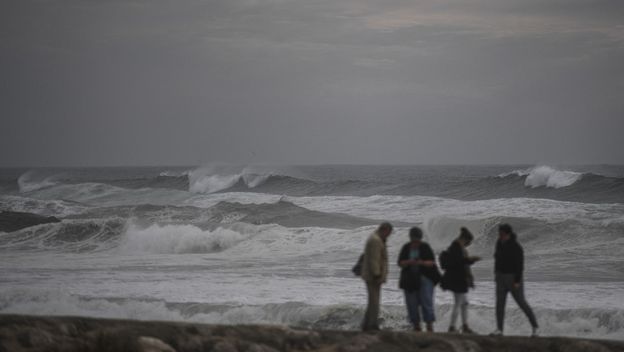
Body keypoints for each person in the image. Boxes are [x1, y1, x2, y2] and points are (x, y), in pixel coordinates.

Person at [490, 223, 539, 337]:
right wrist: (496, 275)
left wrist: (517, 281)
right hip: (500, 278)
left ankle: (535, 327)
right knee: (499, 305)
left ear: (508, 234)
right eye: (499, 233)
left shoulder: (516, 247)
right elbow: (497, 259)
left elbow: (520, 265)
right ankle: (499, 329)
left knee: (522, 303)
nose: (500, 236)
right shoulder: (499, 243)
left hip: (513, 278)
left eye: (502, 234)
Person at [397, 227, 442, 332]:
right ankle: (416, 327)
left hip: (425, 278)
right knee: (411, 304)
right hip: (409, 279)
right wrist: (409, 262)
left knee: (427, 302)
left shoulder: (425, 247)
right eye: (414, 240)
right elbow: (400, 263)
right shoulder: (406, 247)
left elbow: (431, 263)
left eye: (417, 240)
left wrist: (421, 263)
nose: (415, 243)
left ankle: (429, 326)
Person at [440, 227, 481, 334]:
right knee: (459, 303)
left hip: (458, 279)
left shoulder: (457, 248)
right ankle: (453, 327)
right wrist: (470, 260)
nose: (467, 245)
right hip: (456, 280)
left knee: (463, 303)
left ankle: (464, 326)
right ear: (464, 239)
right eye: (467, 242)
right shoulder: (455, 248)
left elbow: (461, 263)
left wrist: (469, 277)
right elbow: (459, 263)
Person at [361, 222, 393, 331]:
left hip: (373, 276)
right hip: (373, 277)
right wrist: (377, 274)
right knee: (374, 301)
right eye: (389, 233)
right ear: (385, 230)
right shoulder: (375, 240)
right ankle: (372, 325)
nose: (389, 235)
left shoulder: (377, 238)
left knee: (372, 301)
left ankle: (366, 324)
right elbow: (374, 259)